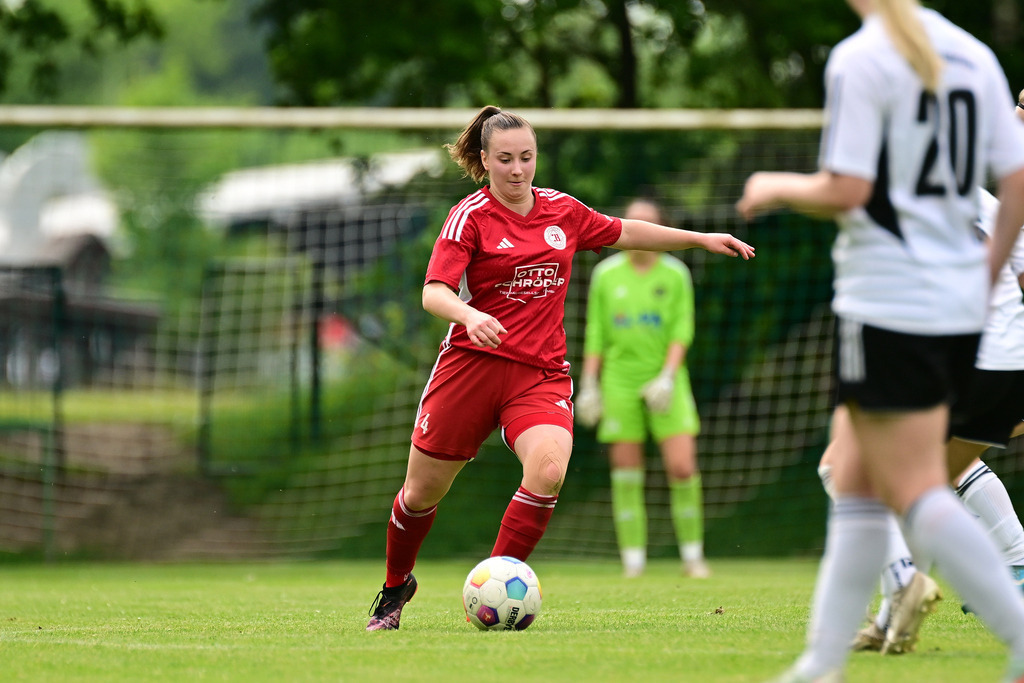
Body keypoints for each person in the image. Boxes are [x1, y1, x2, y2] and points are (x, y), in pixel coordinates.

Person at [365, 105, 755, 631]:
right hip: (471, 367)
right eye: (505, 159)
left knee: (548, 471)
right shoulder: (470, 217)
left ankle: (494, 585)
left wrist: (698, 238)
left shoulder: (561, 212)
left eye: (527, 157)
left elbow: (626, 231)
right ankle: (395, 587)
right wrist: (469, 313)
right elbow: (434, 292)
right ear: (484, 160)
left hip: (538, 373)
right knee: (419, 495)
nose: (518, 169)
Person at [735, 0, 1024, 680]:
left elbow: (847, 188)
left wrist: (773, 184)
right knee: (861, 480)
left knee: (903, 489)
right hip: (957, 311)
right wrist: (986, 281)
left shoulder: (864, 56)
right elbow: (1014, 187)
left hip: (891, 302)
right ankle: (821, 662)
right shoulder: (974, 55)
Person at [575, 198, 709, 579]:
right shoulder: (606, 274)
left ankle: (693, 556)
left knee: (682, 467)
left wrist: (667, 375)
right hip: (619, 380)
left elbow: (682, 329)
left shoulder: (676, 273)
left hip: (667, 379)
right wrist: (589, 385)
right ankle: (633, 561)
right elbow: (597, 333)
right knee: (625, 470)